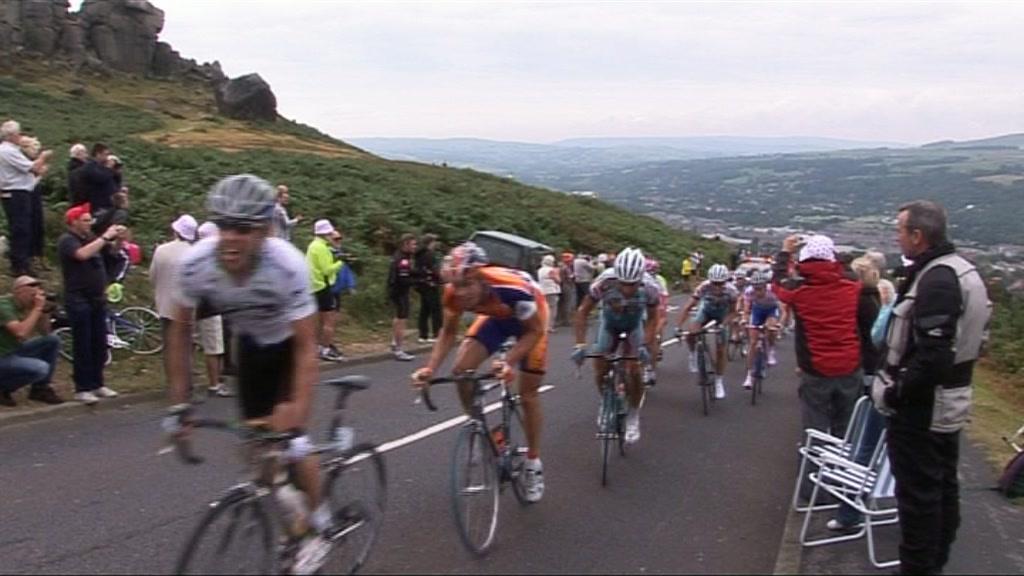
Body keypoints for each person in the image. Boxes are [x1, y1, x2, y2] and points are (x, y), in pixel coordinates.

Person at [163, 174, 331, 574]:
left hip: (288, 345)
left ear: (266, 230)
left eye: (244, 229)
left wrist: (297, 409)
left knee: (292, 442)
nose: (231, 238)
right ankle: (282, 501)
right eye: (223, 226)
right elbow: (180, 331)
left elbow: (308, 347)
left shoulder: (286, 265)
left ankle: (317, 527)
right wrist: (179, 404)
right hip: (252, 347)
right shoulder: (197, 264)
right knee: (257, 449)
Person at [871, 200, 990, 575]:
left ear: (918, 236)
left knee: (919, 499)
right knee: (940, 490)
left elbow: (933, 356)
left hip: (923, 409)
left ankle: (919, 567)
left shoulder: (937, 279)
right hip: (946, 403)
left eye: (900, 230)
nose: (897, 236)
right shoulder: (962, 271)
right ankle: (932, 563)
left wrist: (895, 392)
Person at [411, 242, 549, 502]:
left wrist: (508, 361)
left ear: (481, 276)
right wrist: (430, 368)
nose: (460, 292)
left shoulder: (511, 288)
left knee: (528, 395)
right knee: (461, 371)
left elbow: (534, 331)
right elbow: (449, 332)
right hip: (496, 319)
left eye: (467, 284)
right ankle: (477, 425)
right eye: (456, 285)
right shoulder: (452, 293)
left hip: (531, 319)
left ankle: (533, 464)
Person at [771, 234, 862, 436]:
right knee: (845, 430)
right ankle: (842, 466)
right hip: (850, 364)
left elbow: (777, 284)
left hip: (815, 368)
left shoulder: (798, 290)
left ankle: (813, 466)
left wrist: (785, 252)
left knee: (815, 429)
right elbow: (847, 271)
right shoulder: (852, 286)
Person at [573, 248, 662, 443]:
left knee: (635, 370)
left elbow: (654, 318)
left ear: (641, 278)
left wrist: (646, 344)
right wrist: (580, 344)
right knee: (599, 362)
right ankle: (606, 401)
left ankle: (633, 415)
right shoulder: (603, 282)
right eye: (623, 283)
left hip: (634, 325)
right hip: (609, 323)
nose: (628, 289)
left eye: (632, 284)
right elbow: (582, 312)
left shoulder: (650, 286)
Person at [827, 255, 885, 532]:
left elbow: (869, 337)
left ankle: (848, 507)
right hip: (874, 369)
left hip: (865, 370)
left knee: (862, 442)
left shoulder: (860, 301)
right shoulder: (875, 298)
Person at [58, 203, 123, 405]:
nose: (89, 224)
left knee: (99, 342)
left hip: (97, 298)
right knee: (83, 343)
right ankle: (82, 387)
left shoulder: (92, 239)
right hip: (78, 298)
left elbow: (111, 255)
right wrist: (104, 237)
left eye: (89, 220)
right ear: (74, 222)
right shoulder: (67, 241)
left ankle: (98, 382)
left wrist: (117, 240)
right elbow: (81, 255)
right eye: (85, 220)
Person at [675, 263, 739, 399]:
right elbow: (687, 307)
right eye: (714, 283)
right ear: (710, 281)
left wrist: (723, 324)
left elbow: (733, 312)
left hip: (723, 314)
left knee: (721, 349)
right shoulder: (703, 287)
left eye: (720, 283)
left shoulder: (731, 291)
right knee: (691, 332)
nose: (717, 287)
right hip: (706, 311)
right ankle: (693, 354)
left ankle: (719, 380)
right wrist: (678, 327)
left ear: (725, 281)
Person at [0, 276, 64, 406]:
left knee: (52, 340)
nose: (35, 293)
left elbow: (45, 332)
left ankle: (40, 389)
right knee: (40, 368)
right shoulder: (4, 305)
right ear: (18, 291)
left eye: (38, 289)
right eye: (31, 289)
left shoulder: (28, 307)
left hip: (12, 351)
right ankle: (3, 388)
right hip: (2, 355)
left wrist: (45, 311)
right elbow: (21, 332)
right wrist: (37, 309)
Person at [0, 120, 52, 276]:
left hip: (19, 192)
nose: (20, 136)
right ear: (12, 135)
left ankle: (23, 262)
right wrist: (43, 157)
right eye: (18, 133)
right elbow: (33, 167)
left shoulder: (10, 150)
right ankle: (20, 265)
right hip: (16, 193)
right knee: (20, 229)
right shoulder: (7, 151)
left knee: (23, 228)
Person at [194, 221, 230, 397]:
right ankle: (214, 384)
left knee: (214, 345)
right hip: (210, 307)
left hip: (207, 306)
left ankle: (218, 378)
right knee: (214, 347)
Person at [306, 219, 344, 362]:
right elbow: (327, 270)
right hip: (323, 286)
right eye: (329, 233)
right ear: (324, 233)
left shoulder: (312, 246)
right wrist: (340, 262)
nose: (331, 235)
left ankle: (316, 347)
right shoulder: (321, 247)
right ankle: (325, 349)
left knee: (317, 320)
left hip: (313, 286)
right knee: (329, 321)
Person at [739, 270, 780, 390]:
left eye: (760, 288)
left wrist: (779, 323)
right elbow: (747, 310)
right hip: (757, 311)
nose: (758, 291)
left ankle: (771, 349)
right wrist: (744, 320)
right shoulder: (749, 292)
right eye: (756, 288)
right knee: (752, 342)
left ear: (765, 287)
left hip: (771, 311)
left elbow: (781, 309)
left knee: (771, 328)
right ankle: (749, 375)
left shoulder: (772, 291)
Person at [387, 233, 417, 361]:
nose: (415, 247)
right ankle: (399, 349)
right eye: (413, 244)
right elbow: (403, 278)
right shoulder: (402, 259)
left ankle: (394, 341)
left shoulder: (403, 256)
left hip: (397, 290)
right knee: (402, 319)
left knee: (398, 317)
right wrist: (419, 281)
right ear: (406, 244)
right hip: (400, 291)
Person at [413, 233, 442, 343]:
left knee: (424, 310)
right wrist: (440, 278)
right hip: (431, 284)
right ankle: (437, 334)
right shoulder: (430, 255)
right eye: (434, 242)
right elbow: (434, 270)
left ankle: (423, 334)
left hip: (421, 284)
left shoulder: (419, 254)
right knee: (436, 309)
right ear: (430, 243)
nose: (435, 244)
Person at [79, 143, 118, 217]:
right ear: (98, 154)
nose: (107, 157)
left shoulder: (101, 167)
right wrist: (108, 168)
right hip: (98, 206)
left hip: (108, 203)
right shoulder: (89, 167)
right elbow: (100, 178)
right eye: (105, 154)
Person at [537, 254, 561, 332]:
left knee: (543, 308)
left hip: (542, 290)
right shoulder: (551, 270)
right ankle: (549, 326)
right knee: (552, 309)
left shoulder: (540, 270)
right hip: (551, 290)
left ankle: (541, 324)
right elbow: (558, 280)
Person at [557, 252, 575, 327]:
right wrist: (573, 276)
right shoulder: (566, 268)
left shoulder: (559, 266)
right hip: (566, 285)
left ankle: (559, 319)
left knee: (560, 303)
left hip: (560, 285)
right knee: (567, 303)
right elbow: (569, 277)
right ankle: (566, 320)